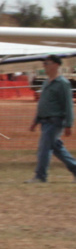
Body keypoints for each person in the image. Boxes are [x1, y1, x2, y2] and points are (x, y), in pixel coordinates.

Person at [28, 54, 76, 183]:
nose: (44, 66)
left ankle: (40, 176)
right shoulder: (46, 82)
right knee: (57, 149)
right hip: (45, 121)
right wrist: (36, 121)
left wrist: (68, 124)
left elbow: (68, 104)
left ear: (56, 65)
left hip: (55, 121)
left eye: (47, 63)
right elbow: (43, 103)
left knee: (44, 149)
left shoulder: (63, 83)